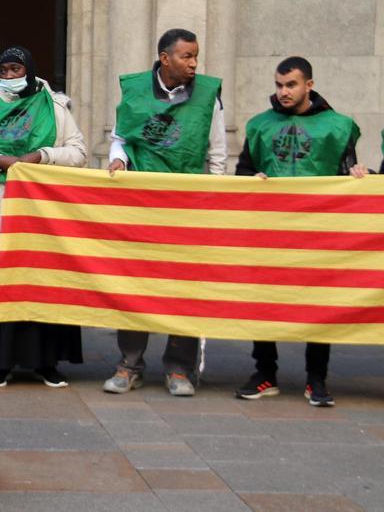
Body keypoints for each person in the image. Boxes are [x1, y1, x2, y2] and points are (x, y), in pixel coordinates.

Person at [233, 56, 366, 407]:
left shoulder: (338, 127)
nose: (283, 92)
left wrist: (356, 177)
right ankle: (265, 374)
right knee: (264, 301)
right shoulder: (260, 125)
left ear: (309, 84)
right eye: (278, 85)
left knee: (318, 303)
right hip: (269, 231)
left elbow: (345, 171)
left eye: (290, 85)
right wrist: (251, 179)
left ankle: (316, 379)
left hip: (317, 232)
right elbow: (242, 171)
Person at [103, 28, 227, 397]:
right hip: (141, 207)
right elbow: (120, 138)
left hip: (188, 207)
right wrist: (118, 162)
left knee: (184, 287)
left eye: (196, 56)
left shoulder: (208, 96)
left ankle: (179, 369)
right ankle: (129, 364)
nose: (194, 64)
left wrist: (214, 199)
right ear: (165, 58)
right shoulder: (136, 91)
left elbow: (216, 152)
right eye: (187, 56)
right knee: (134, 284)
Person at [0, 46, 88, 388]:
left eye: (16, 70)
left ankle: (45, 362)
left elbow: (78, 153)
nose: (10, 77)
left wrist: (41, 156)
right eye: (4, 70)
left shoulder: (54, 106)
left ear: (28, 70)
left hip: (40, 212)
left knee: (42, 285)